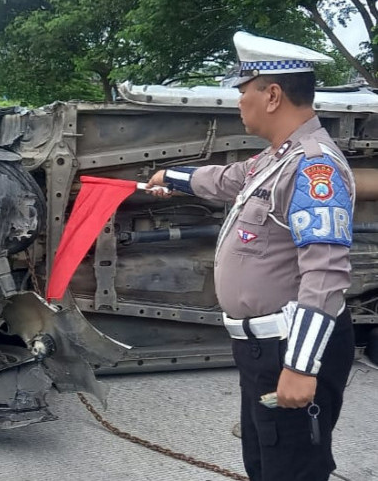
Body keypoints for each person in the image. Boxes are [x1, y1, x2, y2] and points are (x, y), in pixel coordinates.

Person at [147, 31, 355, 481]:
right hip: (260, 348)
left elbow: (326, 271)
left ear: (273, 94)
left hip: (291, 347)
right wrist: (172, 176)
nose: (239, 102)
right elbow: (226, 179)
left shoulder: (314, 167)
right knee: (264, 463)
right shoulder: (274, 160)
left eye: (244, 91)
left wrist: (301, 367)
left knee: (293, 467)